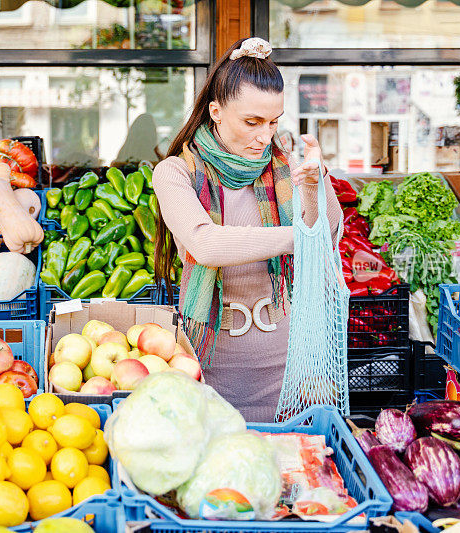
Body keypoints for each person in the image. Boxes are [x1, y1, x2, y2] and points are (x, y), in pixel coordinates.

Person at [152, 37, 343, 423]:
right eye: (252, 122)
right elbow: (204, 244)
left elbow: (330, 233)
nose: (265, 136)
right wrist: (299, 240)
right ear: (216, 112)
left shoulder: (287, 165)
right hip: (209, 361)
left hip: (289, 363)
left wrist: (314, 184)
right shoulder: (176, 172)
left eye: (274, 122)